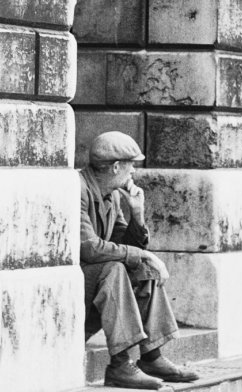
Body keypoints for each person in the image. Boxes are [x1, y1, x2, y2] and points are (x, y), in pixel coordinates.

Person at [80, 131, 200, 389]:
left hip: (95, 284)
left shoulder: (111, 193)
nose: (133, 171)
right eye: (130, 164)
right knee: (114, 268)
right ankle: (121, 365)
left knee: (143, 267)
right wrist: (143, 254)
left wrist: (138, 216)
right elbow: (88, 248)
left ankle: (151, 356)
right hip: (80, 287)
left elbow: (125, 244)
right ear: (115, 167)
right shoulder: (79, 188)